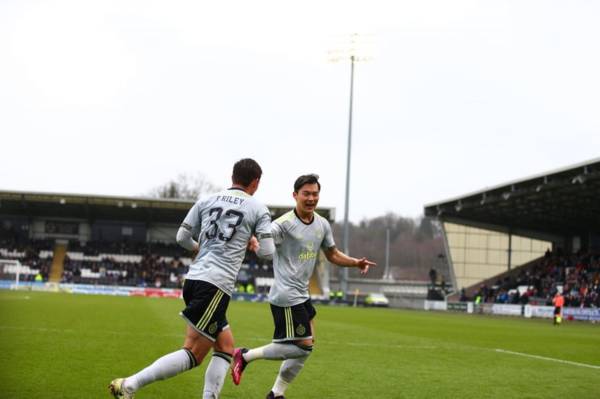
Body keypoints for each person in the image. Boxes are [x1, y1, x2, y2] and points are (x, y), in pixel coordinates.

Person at [109, 158, 275, 399]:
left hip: (195, 279)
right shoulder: (257, 208)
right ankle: (129, 385)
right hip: (215, 285)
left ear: (232, 178)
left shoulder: (206, 200)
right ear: (256, 182)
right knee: (194, 353)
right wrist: (254, 243)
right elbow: (268, 253)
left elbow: (182, 237)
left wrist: (203, 248)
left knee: (226, 347)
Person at [230, 173, 376, 398]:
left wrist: (356, 262)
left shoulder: (322, 224)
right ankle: (245, 355)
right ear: (295, 195)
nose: (311, 198)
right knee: (303, 346)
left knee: (307, 348)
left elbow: (333, 254)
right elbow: (264, 246)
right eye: (306, 194)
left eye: (315, 194)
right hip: (286, 295)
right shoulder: (283, 225)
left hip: (302, 294)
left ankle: (276, 393)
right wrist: (256, 243)